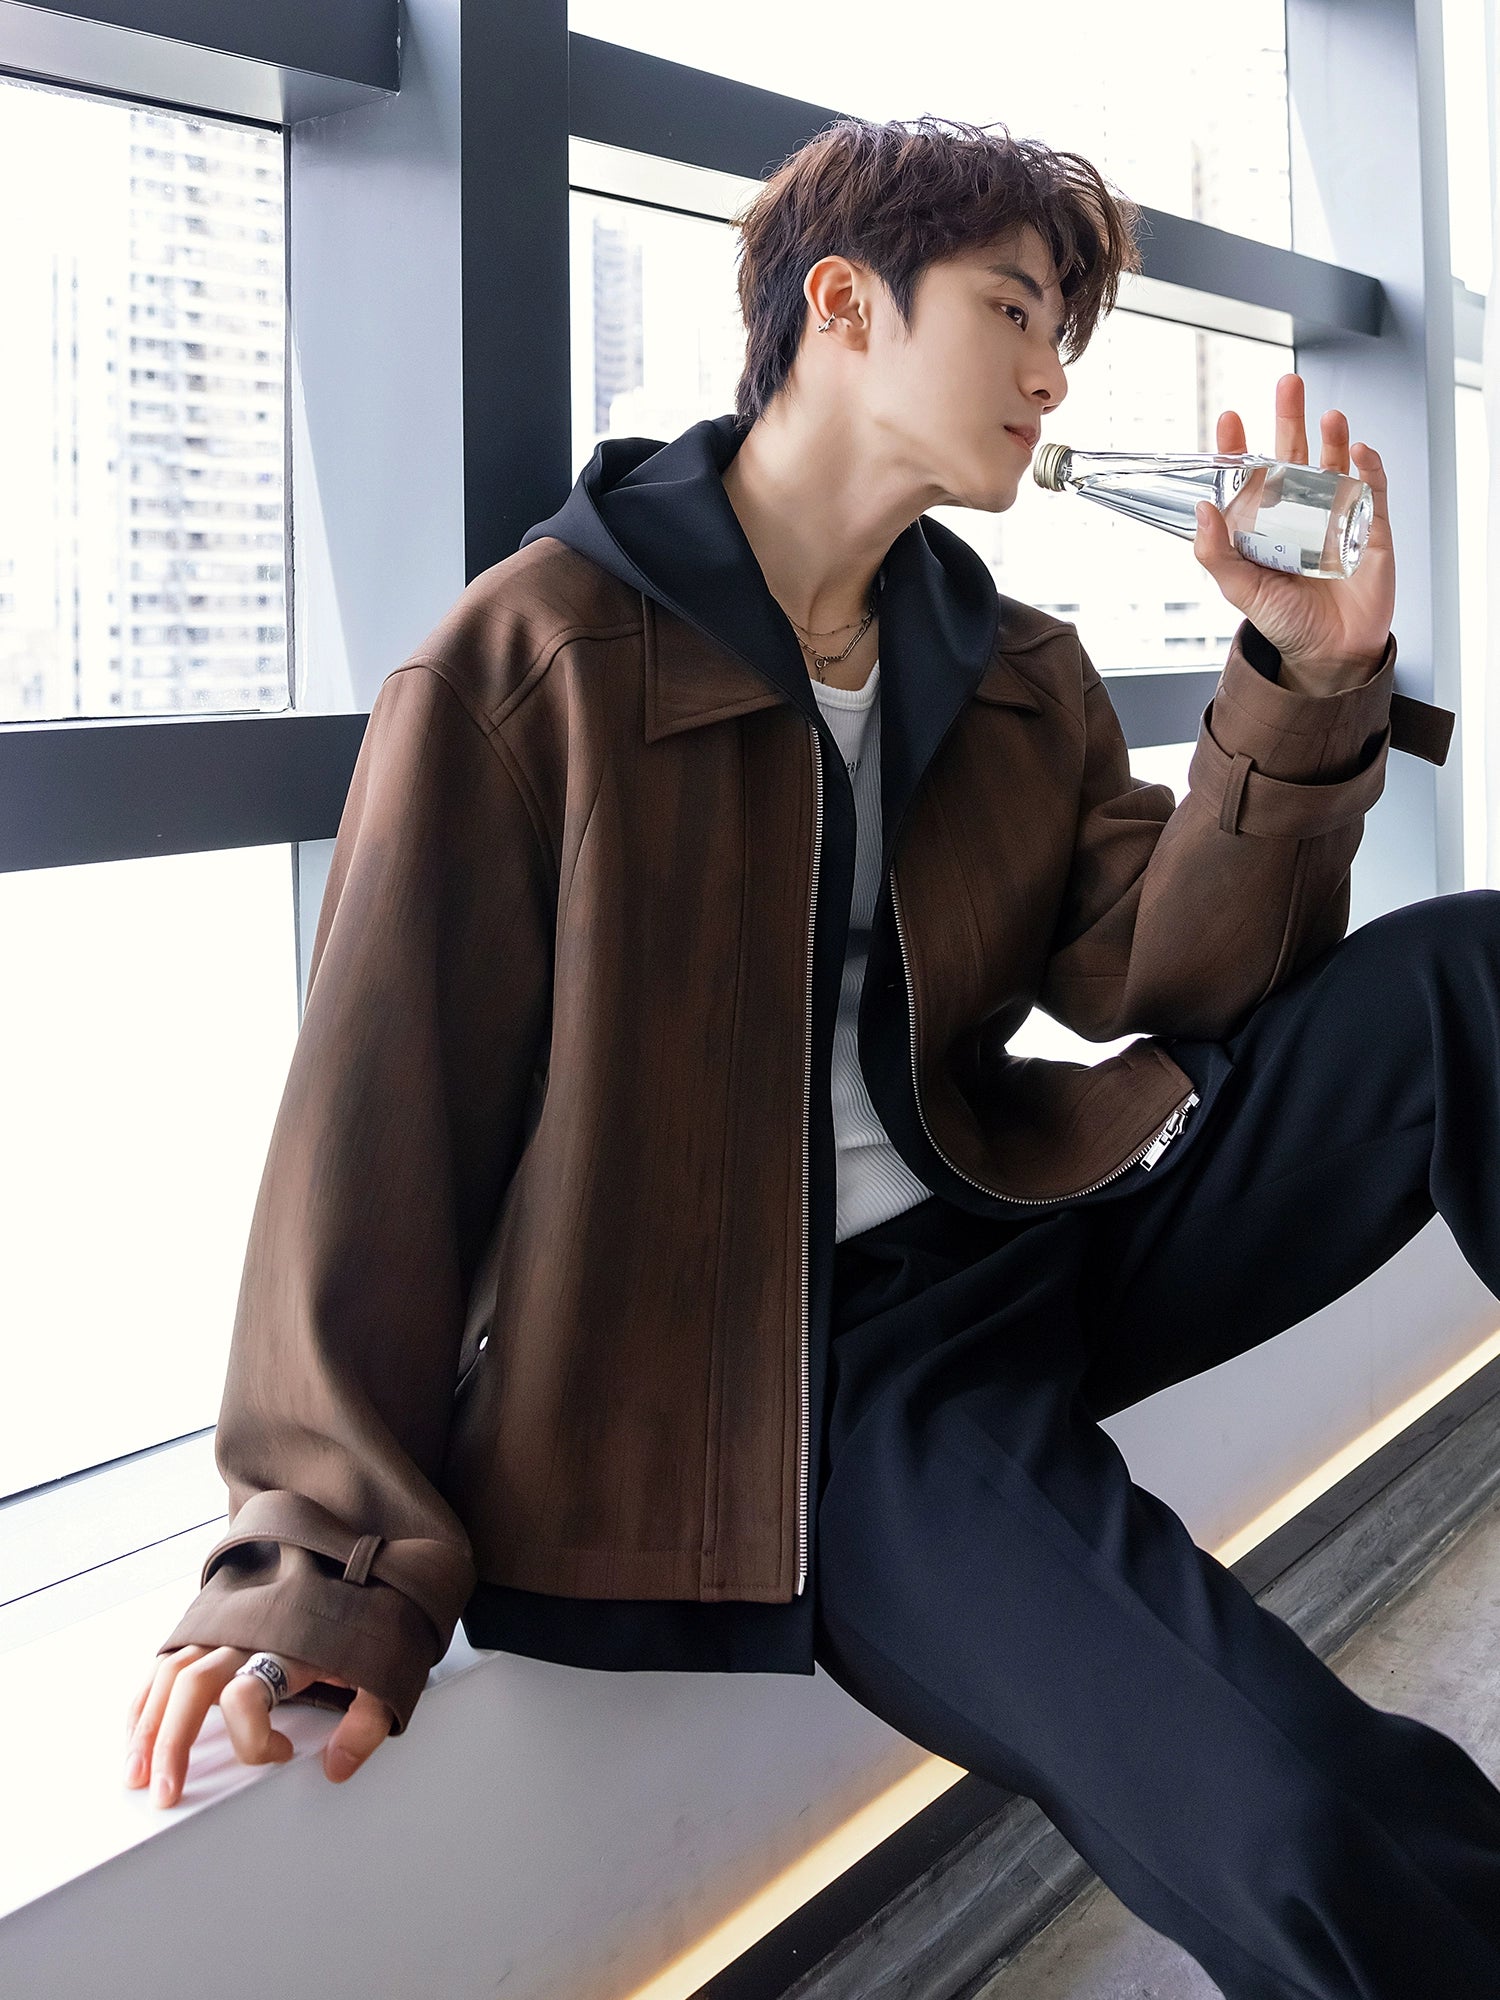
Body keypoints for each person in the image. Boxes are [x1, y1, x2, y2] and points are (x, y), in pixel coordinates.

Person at [121, 112, 1500, 1994]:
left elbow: (1167, 979)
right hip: (817, 1396)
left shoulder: (1012, 667)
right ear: (843, 304)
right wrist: (315, 1569)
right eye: (1013, 309)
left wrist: (1308, 678)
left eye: (1065, 333)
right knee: (1298, 1814)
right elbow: (379, 1132)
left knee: (1470, 974)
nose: (1051, 373)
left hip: (1034, 1231)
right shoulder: (538, 661)